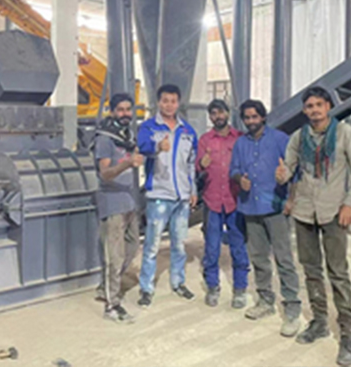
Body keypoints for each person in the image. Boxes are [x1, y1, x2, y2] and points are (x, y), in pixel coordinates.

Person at [276, 86, 351, 366]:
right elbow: (289, 170)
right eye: (309, 106)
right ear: (304, 111)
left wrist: (349, 203)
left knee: (338, 273)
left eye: (318, 105)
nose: (314, 110)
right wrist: (281, 175)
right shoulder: (298, 137)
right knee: (311, 270)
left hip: (334, 212)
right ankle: (319, 321)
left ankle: (348, 333)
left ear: (328, 106)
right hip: (304, 212)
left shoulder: (344, 133)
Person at [229, 99, 302, 338]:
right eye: (247, 117)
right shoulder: (240, 143)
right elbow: (233, 169)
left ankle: (291, 308)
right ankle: (265, 301)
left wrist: (290, 197)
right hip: (250, 208)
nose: (251, 121)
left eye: (254, 116)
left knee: (284, 259)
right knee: (259, 258)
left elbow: (294, 171)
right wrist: (240, 179)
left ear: (263, 117)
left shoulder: (280, 139)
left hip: (276, 208)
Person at [137, 84, 198, 307]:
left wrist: (192, 190)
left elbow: (191, 164)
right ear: (158, 102)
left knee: (179, 244)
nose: (169, 105)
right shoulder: (149, 128)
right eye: (165, 101)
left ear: (178, 103)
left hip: (182, 197)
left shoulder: (188, 131)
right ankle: (146, 288)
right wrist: (157, 146)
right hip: (159, 195)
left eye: (173, 101)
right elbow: (143, 146)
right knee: (152, 245)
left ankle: (178, 282)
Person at [93, 93, 143, 324]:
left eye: (128, 109)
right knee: (114, 255)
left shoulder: (127, 135)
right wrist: (127, 164)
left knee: (132, 248)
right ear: (112, 111)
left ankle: (105, 287)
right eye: (120, 110)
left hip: (130, 201)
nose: (125, 114)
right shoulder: (105, 139)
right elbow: (105, 173)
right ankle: (112, 305)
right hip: (113, 203)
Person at [196, 99, 249, 309]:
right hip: (213, 201)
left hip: (235, 201)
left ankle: (240, 289)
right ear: (210, 117)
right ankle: (213, 286)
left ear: (228, 113)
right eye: (213, 113)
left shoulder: (240, 138)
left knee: (238, 246)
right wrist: (202, 164)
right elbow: (197, 168)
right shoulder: (205, 140)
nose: (218, 116)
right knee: (211, 247)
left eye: (221, 112)